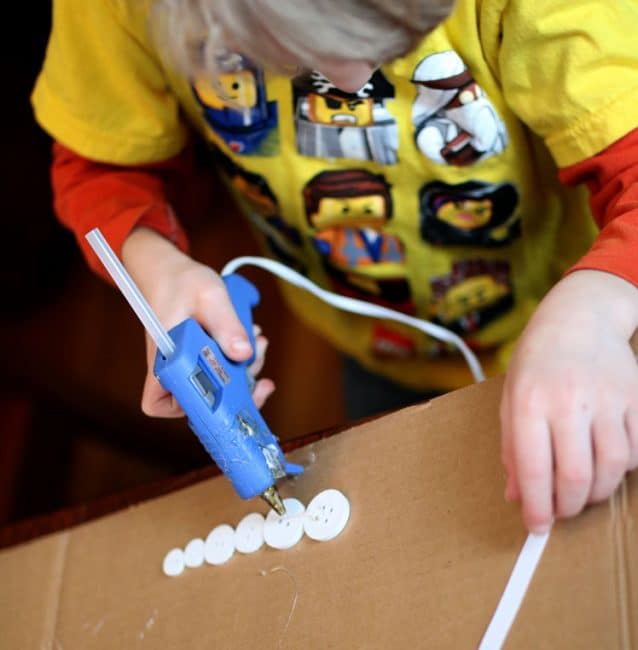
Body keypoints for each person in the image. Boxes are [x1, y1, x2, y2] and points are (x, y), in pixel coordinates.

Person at [32, 0, 638, 536]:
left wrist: (594, 310)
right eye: (301, 61)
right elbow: (100, 165)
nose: (358, 82)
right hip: (372, 342)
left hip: (587, 336)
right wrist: (154, 264)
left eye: (398, 43)